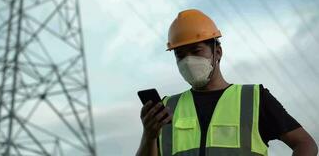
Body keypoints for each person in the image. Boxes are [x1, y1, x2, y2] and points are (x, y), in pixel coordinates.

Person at [136, 9, 318, 156]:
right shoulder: (167, 107)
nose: (188, 61)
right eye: (180, 55)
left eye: (196, 50)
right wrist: (149, 136)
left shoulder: (253, 98)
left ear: (217, 52)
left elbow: (305, 144)